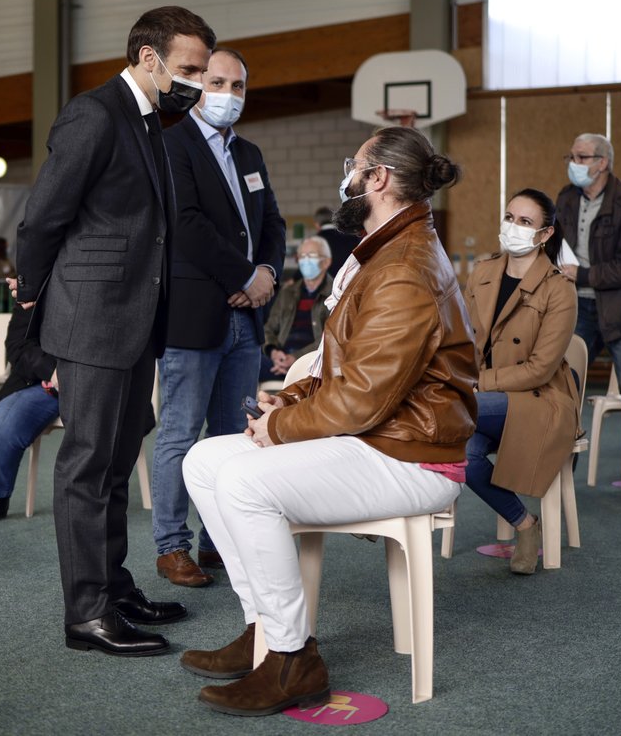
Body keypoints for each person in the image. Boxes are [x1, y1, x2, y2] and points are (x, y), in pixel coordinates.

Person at [178, 126, 475, 716]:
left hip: (410, 454)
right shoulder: (384, 251)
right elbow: (342, 368)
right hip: (382, 434)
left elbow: (362, 399)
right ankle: (265, 631)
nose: (347, 178)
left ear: (378, 179)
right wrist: (287, 403)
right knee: (204, 460)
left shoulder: (404, 266)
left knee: (243, 480)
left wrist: (280, 428)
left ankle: (294, 660)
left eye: (353, 167)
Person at [13, 6, 216, 657]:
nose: (197, 83)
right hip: (92, 318)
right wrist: (31, 298)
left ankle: (114, 587)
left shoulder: (149, 120)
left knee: (116, 463)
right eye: (189, 69)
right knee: (88, 466)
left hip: (134, 319)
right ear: (148, 58)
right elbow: (43, 217)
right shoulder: (94, 114)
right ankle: (87, 614)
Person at [151, 47, 286, 588]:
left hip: (246, 319)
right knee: (180, 433)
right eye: (217, 83)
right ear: (196, 86)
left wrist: (267, 273)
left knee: (233, 434)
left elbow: (272, 222)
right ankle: (171, 546)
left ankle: (216, 542)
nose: (229, 94)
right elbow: (185, 224)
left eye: (238, 86)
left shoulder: (249, 152)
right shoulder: (172, 144)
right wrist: (244, 276)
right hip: (194, 314)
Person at [464, 188, 579, 575]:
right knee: (464, 454)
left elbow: (540, 369)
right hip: (483, 397)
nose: (513, 227)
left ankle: (393, 496)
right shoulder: (482, 273)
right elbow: (463, 341)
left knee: (448, 408)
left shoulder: (560, 289)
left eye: (525, 222)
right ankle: (526, 524)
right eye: (510, 217)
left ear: (545, 234)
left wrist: (478, 384)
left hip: (539, 399)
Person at [556, 133, 621, 496]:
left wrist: (584, 275)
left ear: (602, 162)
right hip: (577, 306)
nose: (574, 163)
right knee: (564, 385)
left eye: (581, 157)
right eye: (571, 156)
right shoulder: (566, 198)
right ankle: (560, 469)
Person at [0, 302, 60, 524]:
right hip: (42, 381)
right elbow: (18, 345)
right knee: (1, 422)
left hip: (97, 379)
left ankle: (104, 494)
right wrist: (52, 371)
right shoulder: (34, 290)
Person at [260, 235, 333, 382]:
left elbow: (331, 338)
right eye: (302, 256)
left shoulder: (336, 294)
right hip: (280, 360)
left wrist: (296, 359)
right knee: (249, 362)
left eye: (311, 255)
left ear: (326, 262)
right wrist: (273, 352)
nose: (306, 260)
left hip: (313, 363)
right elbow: (269, 329)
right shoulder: (288, 292)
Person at [314, 205, 359, 278]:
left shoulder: (314, 242)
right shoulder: (352, 238)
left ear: (317, 225)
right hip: (349, 280)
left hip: (326, 282)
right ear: (335, 221)